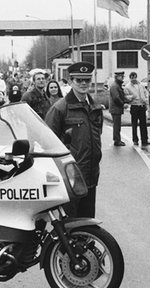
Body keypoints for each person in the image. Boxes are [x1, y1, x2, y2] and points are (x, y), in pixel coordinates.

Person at [45, 62, 103, 218]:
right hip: (70, 175)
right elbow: (48, 141)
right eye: (79, 80)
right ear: (70, 81)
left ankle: (88, 243)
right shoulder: (60, 108)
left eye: (87, 80)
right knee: (71, 223)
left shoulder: (95, 108)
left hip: (91, 173)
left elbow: (97, 135)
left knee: (88, 220)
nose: (83, 84)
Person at [124, 71, 150, 146]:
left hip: (141, 106)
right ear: (130, 78)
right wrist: (132, 97)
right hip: (134, 106)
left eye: (135, 77)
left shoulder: (140, 85)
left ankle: (144, 140)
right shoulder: (127, 86)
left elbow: (145, 93)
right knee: (134, 124)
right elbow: (126, 97)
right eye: (132, 77)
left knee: (143, 124)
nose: (134, 78)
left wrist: (145, 100)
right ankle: (135, 140)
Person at [109, 71, 127, 147]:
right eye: (121, 77)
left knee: (117, 125)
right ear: (117, 77)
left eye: (123, 76)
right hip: (115, 108)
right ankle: (117, 140)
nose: (122, 78)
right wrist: (123, 104)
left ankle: (117, 139)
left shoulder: (117, 85)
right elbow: (116, 98)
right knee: (116, 125)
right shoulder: (115, 86)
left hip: (116, 108)